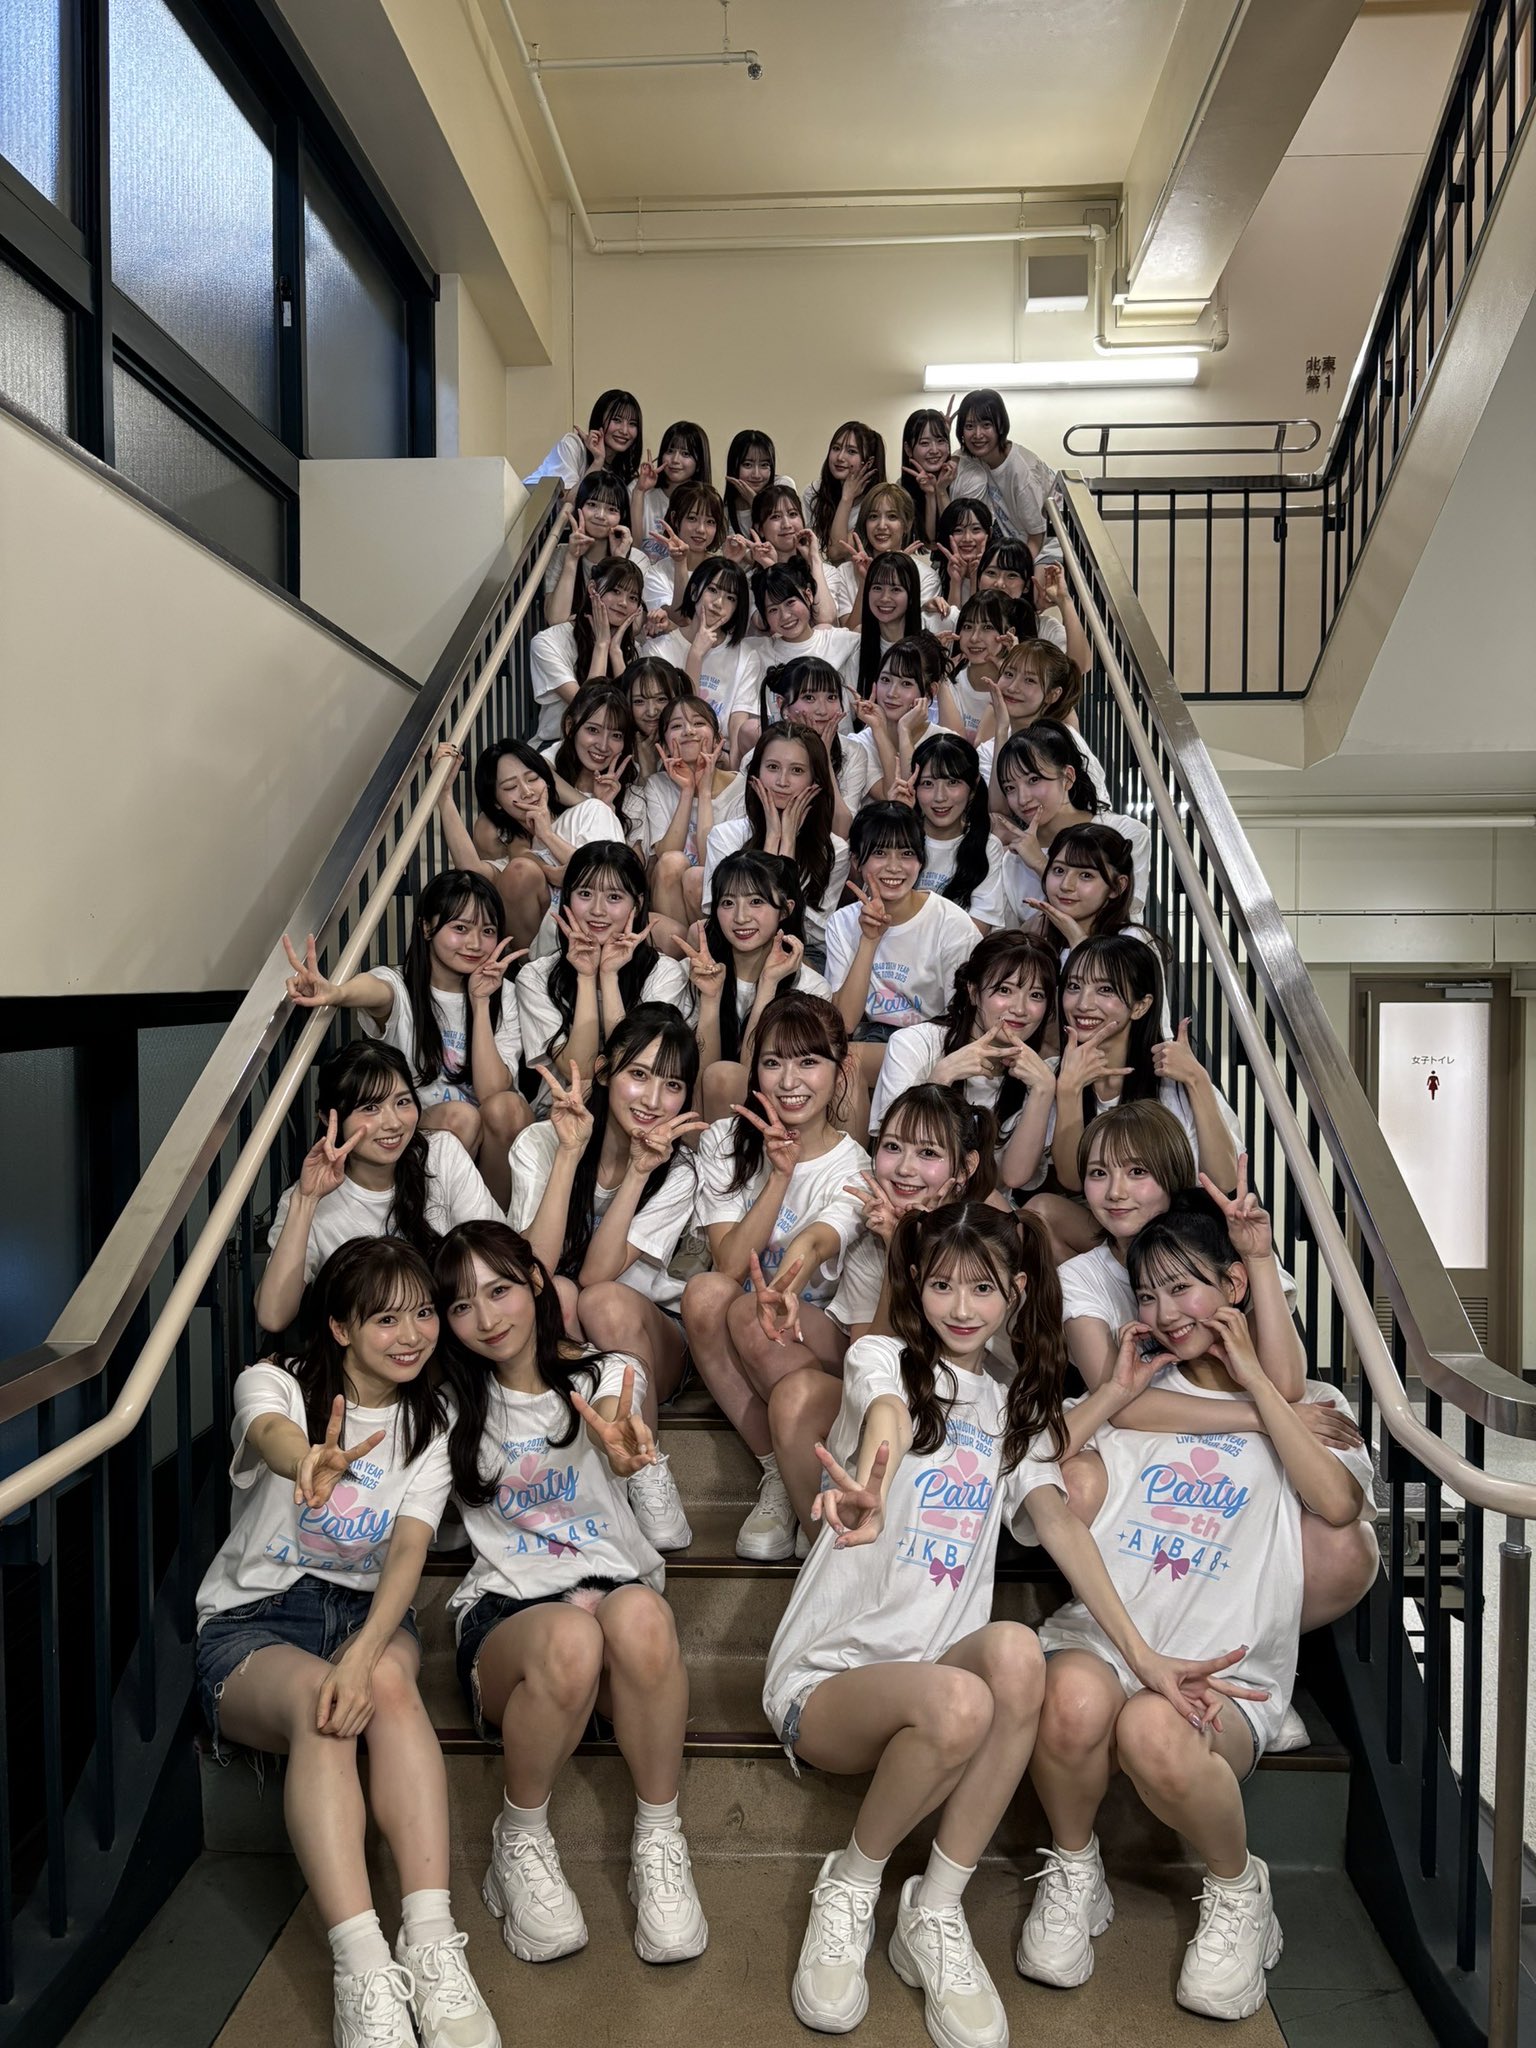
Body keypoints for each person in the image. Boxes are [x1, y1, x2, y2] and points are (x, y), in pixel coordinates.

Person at [764, 1203, 1251, 2045]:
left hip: (941, 1676)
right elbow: (885, 1417)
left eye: (983, 1289)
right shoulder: (883, 1359)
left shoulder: (1009, 1407)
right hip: (833, 1680)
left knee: (1020, 1652)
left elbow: (1059, 1525)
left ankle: (935, 1909)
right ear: (916, 1285)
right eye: (942, 1285)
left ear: (1016, 1292)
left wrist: (1147, 1659)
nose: (961, 1307)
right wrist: (872, 1486)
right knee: (960, 1701)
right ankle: (850, 1886)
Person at [1015, 1202, 1373, 2021]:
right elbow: (1030, 1469)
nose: (1165, 1311)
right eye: (1146, 1294)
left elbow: (1337, 1504)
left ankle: (1239, 1890)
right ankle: (1075, 1868)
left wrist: (1259, 1386)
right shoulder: (1142, 1396)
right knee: (1070, 1701)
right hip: (1113, 1641)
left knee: (1154, 1728)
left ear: (1235, 1286)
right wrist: (1113, 1390)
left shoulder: (1307, 1401)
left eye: (1183, 1288)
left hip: (1222, 1667)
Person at [195, 1238, 499, 2048]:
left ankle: (430, 1945)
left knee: (385, 1686)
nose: (413, 1335)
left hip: (370, 1611)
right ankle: (362, 1964)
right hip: (254, 1619)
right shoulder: (280, 1382)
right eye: (385, 1319)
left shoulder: (437, 1416)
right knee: (322, 1710)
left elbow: (408, 1549)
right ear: (339, 1327)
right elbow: (267, 1431)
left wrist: (364, 1653)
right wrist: (306, 1461)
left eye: (424, 1313)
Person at [435, 1221, 709, 1969]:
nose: (486, 1318)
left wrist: (630, 1458)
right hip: (510, 1620)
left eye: (499, 1290)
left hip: (614, 1602)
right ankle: (518, 1841)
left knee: (641, 1615)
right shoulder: (449, 1406)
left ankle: (659, 1841)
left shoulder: (606, 1374)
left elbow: (640, 1470)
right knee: (571, 1636)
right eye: (461, 1305)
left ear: (535, 1283)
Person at [1059, 1110, 1380, 1637]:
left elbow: (1286, 1385)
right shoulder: (1083, 1275)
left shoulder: (1224, 1244)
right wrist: (1268, 1418)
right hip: (1156, 1423)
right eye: (1098, 1173)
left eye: (1137, 1172)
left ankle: (1244, 1646)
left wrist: (1257, 1256)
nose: (1116, 1191)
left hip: (1232, 1404)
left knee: (1342, 1542)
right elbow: (1122, 1401)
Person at [749, 1084, 999, 1536]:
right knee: (794, 1396)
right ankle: (828, 1539)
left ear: (965, 1168)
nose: (904, 1168)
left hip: (976, 1408)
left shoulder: (988, 1234)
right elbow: (871, 1358)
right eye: (892, 1147)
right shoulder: (878, 1228)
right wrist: (894, 1250)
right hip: (897, 1396)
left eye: (928, 1153)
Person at [680, 994, 870, 1560]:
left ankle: (802, 1454)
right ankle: (778, 1472)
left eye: (808, 1061)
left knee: (748, 1307)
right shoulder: (725, 1139)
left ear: (841, 1070)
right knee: (707, 1294)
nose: (789, 1081)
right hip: (752, 1326)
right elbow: (728, 1265)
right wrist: (779, 1177)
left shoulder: (855, 1166)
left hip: (825, 1336)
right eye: (772, 1062)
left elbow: (818, 1242)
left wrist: (783, 1286)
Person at [504, 1009, 702, 1550]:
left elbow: (598, 1273)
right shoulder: (539, 1143)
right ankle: (579, 1470)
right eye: (638, 1074)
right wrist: (569, 1153)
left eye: (672, 1085)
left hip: (651, 1336)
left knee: (602, 1299)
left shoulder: (678, 1170)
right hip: (567, 1331)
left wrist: (638, 1171)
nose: (653, 1099)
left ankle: (646, 1470)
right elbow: (535, 1269)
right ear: (603, 1071)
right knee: (559, 1294)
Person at [278, 872, 530, 1209]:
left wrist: (481, 1002)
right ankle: (436, 1222)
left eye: (487, 931)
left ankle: (490, 1229)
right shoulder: (399, 984)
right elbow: (374, 991)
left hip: (490, 1151)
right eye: (460, 928)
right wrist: (337, 993)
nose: (475, 943)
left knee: (507, 1107)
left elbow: (492, 1092)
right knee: (462, 1117)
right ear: (426, 927)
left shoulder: (505, 993)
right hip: (417, 1131)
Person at [254, 1043, 502, 1336]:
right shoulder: (305, 1200)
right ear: (328, 1118)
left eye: (402, 1102)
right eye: (370, 1108)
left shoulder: (442, 1153)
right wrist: (306, 1200)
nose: (393, 1123)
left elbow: (494, 1257)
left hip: (450, 1337)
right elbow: (273, 1317)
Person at [870, 930, 1059, 1184]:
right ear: (973, 991)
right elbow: (896, 1159)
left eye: (1036, 995)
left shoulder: (1040, 1075)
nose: (1020, 1008)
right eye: (1005, 990)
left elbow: (1013, 1179)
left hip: (984, 1203)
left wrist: (1043, 1090)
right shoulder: (913, 1044)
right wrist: (939, 1080)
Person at [824, 802, 982, 1086]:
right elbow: (845, 1022)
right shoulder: (841, 923)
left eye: (907, 853)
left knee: (845, 1064)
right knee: (833, 1060)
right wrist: (869, 940)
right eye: (880, 853)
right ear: (856, 861)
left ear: (921, 861)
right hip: (868, 1035)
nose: (894, 867)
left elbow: (963, 1018)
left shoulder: (951, 923)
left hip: (935, 1036)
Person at [513, 841, 689, 1085]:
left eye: (614, 897)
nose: (597, 910)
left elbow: (632, 1068)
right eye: (585, 894)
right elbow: (580, 1073)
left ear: (637, 905)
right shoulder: (535, 976)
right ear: (567, 898)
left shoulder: (665, 973)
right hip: (566, 1102)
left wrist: (609, 976)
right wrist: (586, 976)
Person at [676, 848, 832, 1117]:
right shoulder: (690, 974)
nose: (741, 917)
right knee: (721, 1074)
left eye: (756, 901)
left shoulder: (811, 988)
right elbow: (701, 1082)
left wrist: (768, 985)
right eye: (728, 903)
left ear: (785, 910)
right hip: (702, 1116)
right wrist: (710, 999)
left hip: (779, 1113)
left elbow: (757, 1079)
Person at [436, 740, 625, 954]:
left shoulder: (589, 812)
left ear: (547, 780)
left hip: (608, 941)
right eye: (510, 787)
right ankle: (528, 964)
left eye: (533, 778)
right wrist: (444, 796)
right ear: (496, 802)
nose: (527, 792)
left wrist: (547, 834)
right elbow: (471, 870)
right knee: (519, 870)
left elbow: (611, 876)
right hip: (552, 958)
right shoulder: (515, 858)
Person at [700, 723, 850, 970]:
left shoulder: (835, 850)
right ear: (756, 773)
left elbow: (810, 930)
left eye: (797, 770)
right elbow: (719, 913)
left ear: (816, 779)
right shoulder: (725, 836)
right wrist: (773, 839)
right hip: (735, 947)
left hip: (802, 950)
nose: (782, 781)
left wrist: (787, 843)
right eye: (772, 767)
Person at [992, 721, 1149, 925]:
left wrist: (1040, 864)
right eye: (1010, 788)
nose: (1022, 799)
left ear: (1067, 777)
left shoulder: (1124, 832)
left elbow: (1121, 919)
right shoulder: (1012, 860)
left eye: (1034, 780)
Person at [640, 557, 764, 761]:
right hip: (673, 755)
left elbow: (737, 723)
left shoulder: (746, 655)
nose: (718, 603)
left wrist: (734, 772)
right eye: (712, 590)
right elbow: (681, 720)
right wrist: (695, 654)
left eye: (731, 598)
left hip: (722, 757)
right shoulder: (658, 650)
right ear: (694, 591)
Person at [644, 693, 744, 931]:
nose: (689, 731)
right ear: (664, 744)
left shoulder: (741, 787)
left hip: (725, 901)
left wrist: (705, 791)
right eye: (676, 726)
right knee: (672, 861)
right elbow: (666, 858)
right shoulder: (657, 785)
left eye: (698, 723)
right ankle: (677, 951)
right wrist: (688, 791)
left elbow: (713, 865)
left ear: (718, 739)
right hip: (672, 908)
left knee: (697, 876)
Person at [529, 557, 645, 743]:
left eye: (633, 598)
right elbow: (588, 709)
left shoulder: (634, 650)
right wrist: (601, 645)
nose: (623, 603)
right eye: (615, 591)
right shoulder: (549, 642)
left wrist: (615, 651)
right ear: (592, 588)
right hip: (559, 744)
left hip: (615, 746)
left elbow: (633, 715)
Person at [906, 731, 1008, 932]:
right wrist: (897, 822)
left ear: (973, 788)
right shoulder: (899, 839)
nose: (940, 797)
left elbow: (977, 930)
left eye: (952, 782)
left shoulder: (987, 847)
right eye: (927, 783)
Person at [951, 388, 1060, 549]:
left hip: (1051, 545)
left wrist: (1018, 565)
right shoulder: (974, 456)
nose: (978, 434)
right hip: (1013, 543)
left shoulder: (1022, 472)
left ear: (1001, 426)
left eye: (986, 425)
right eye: (969, 426)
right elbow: (952, 459)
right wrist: (942, 434)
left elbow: (1036, 537)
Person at [545, 681, 647, 853]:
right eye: (593, 730)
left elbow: (633, 866)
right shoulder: (542, 785)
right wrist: (593, 806)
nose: (603, 746)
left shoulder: (632, 799)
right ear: (570, 727)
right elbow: (530, 765)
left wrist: (608, 810)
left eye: (616, 735)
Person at [779, 653, 872, 831]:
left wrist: (823, 756)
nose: (822, 710)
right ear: (782, 704)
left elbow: (842, 829)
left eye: (831, 697)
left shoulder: (853, 752)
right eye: (809, 698)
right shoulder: (764, 753)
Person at [755, 560, 862, 702]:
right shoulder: (758, 652)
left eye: (790, 602)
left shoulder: (843, 642)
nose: (785, 616)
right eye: (773, 610)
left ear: (809, 595)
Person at [542, 469, 635, 620]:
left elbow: (633, 624)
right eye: (592, 504)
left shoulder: (636, 559)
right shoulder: (561, 554)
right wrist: (572, 559)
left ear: (622, 516)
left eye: (612, 509)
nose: (600, 515)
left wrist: (618, 562)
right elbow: (556, 619)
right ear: (579, 506)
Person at [524, 390, 642, 495]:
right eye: (617, 420)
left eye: (632, 424)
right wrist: (597, 462)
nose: (624, 431)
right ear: (599, 420)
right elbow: (567, 499)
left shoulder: (622, 470)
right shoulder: (572, 445)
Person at [803, 421, 886, 559]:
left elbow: (837, 551)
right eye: (836, 448)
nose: (840, 457)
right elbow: (814, 549)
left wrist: (847, 498)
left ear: (869, 462)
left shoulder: (877, 501)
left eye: (851, 451)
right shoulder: (813, 493)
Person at [630, 420, 711, 544]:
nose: (675, 460)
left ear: (699, 463)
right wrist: (639, 491)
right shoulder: (638, 489)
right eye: (670, 451)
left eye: (685, 454)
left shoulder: (706, 503)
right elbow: (633, 547)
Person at [899, 404, 958, 542]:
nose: (934, 450)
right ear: (908, 449)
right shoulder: (901, 489)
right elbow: (928, 543)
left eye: (940, 441)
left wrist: (941, 490)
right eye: (925, 443)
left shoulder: (964, 478)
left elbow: (957, 537)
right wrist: (930, 495)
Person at [723, 428, 790, 536]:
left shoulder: (782, 487)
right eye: (747, 465)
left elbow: (784, 539)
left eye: (764, 465)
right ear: (734, 467)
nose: (756, 475)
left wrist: (754, 502)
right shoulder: (725, 512)